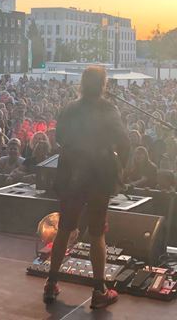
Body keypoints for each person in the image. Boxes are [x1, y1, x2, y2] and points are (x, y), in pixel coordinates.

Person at [44, 66, 130, 309]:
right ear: (103, 85)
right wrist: (120, 166)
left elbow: (60, 137)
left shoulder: (70, 109)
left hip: (72, 175)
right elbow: (124, 141)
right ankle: (99, 290)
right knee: (96, 232)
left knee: (64, 228)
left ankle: (51, 283)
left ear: (82, 84)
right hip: (98, 177)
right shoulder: (108, 109)